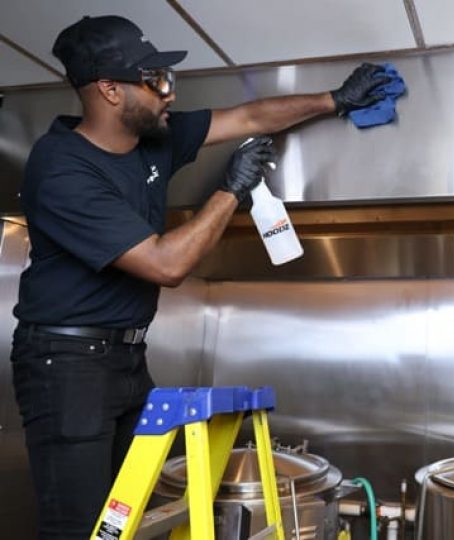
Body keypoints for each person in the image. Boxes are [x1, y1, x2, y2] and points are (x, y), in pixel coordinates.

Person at [10, 14, 391, 539]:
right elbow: (167, 265)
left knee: (129, 517)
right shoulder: (63, 169)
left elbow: (251, 116)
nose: (168, 94)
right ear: (109, 90)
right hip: (66, 364)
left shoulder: (154, 137)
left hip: (125, 359)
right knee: (81, 529)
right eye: (155, 80)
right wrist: (231, 191)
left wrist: (336, 99)